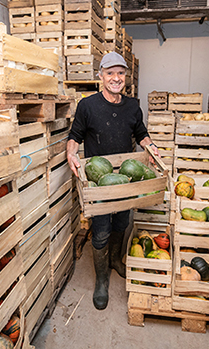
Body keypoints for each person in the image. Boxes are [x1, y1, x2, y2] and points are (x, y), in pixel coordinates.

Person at [66, 51, 160, 310]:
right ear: (101, 76)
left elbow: (141, 134)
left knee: (122, 221)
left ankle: (116, 260)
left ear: (125, 77)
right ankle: (101, 280)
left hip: (126, 177)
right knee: (101, 229)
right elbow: (75, 135)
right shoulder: (88, 105)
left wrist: (152, 148)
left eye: (120, 73)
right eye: (110, 73)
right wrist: (71, 153)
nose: (116, 78)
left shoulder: (132, 106)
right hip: (99, 182)